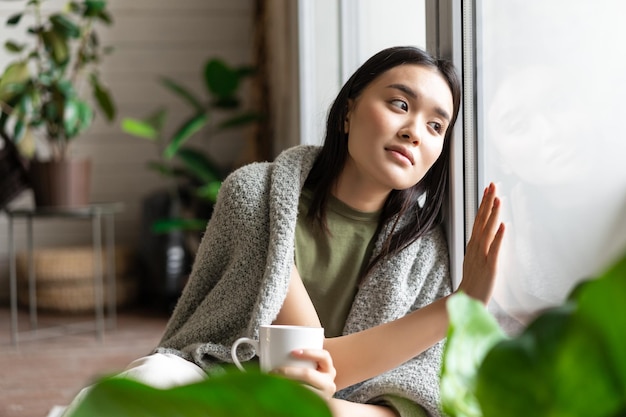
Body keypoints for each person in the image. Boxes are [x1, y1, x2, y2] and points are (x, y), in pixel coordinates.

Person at [62, 46, 504, 417]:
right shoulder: (259, 195)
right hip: (225, 384)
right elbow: (309, 355)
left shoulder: (425, 251)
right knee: (144, 384)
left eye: (435, 126)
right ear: (348, 111)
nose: (413, 133)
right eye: (400, 104)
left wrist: (328, 410)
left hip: (337, 409)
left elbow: (410, 401)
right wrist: (458, 306)